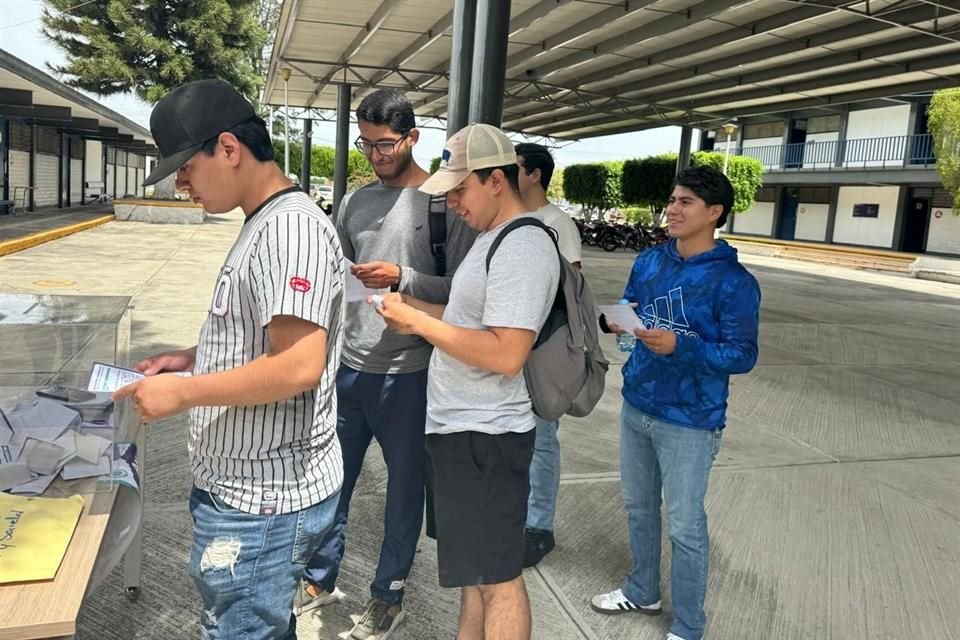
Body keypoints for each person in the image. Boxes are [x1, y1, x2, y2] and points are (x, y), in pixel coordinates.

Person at [113, 79, 345, 640]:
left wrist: (184, 393)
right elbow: (262, 338)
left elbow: (298, 365)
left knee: (242, 630)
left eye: (186, 167)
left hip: (263, 502)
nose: (182, 182)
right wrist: (192, 359)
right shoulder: (263, 219)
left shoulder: (289, 229)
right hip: (245, 491)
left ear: (229, 148)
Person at [294, 88, 475, 640]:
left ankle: (388, 595)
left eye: (386, 144)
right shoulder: (352, 203)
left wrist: (402, 276)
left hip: (413, 375)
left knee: (403, 492)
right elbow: (340, 279)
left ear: (413, 138)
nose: (375, 155)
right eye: (365, 144)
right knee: (331, 482)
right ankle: (318, 578)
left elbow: (466, 291)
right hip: (350, 369)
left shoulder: (442, 206)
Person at [374, 123, 560, 640]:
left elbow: (506, 353)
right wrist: (410, 306)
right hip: (464, 432)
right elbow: (465, 319)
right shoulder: (489, 240)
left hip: (488, 438)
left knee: (498, 579)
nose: (452, 201)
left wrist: (418, 324)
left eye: (460, 188)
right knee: (474, 578)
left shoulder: (523, 248)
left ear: (497, 180)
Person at [590, 166, 760, 640]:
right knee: (638, 507)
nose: (672, 209)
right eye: (672, 199)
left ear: (714, 212)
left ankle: (688, 625)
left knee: (685, 524)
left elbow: (742, 354)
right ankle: (643, 590)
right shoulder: (649, 261)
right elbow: (627, 305)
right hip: (637, 403)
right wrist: (614, 324)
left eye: (685, 201)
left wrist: (681, 347)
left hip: (691, 420)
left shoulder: (734, 282)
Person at [514, 142, 582, 568]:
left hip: (541, 351)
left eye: (515, 167)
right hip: (509, 347)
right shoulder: (514, 218)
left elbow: (571, 291)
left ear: (535, 174)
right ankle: (516, 517)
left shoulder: (558, 223)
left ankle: (539, 527)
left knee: (542, 441)